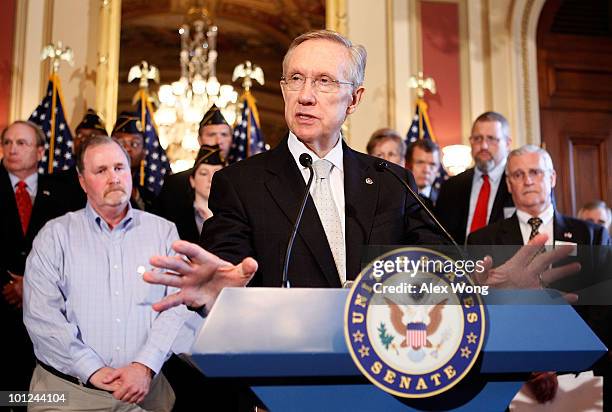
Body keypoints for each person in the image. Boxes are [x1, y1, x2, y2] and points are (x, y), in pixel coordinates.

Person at [142, 31, 577, 318]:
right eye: (296, 79)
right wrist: (222, 292)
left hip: (383, 370)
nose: (307, 95)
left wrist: (491, 284)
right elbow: (229, 272)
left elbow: (440, 263)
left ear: (354, 100)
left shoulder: (391, 180)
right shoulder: (241, 182)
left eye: (325, 82)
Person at [22, 135, 206, 412]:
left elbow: (178, 307)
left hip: (146, 395)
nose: (114, 178)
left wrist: (143, 366)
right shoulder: (55, 236)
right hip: (67, 395)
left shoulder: (163, 231)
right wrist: (93, 370)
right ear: (83, 182)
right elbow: (42, 318)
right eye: (101, 170)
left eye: (119, 168)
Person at [467, 145, 611, 404]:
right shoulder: (482, 240)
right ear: (509, 184)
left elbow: (604, 308)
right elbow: (480, 310)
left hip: (583, 375)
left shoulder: (592, 235)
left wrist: (565, 359)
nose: (528, 180)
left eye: (535, 172)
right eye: (518, 175)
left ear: (552, 177)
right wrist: (528, 361)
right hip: (511, 378)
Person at [0, 120, 71, 399]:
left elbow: (67, 247)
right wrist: (10, 284)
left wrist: (30, 284)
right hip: (2, 303)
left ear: (41, 152)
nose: (12, 149)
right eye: (7, 143)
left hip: (46, 307)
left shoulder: (63, 192)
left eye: (22, 143)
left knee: (34, 390)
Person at [436, 111, 515, 244]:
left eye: (491, 139)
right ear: (470, 142)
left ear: (507, 144)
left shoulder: (519, 183)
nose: (483, 146)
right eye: (477, 138)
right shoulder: (451, 186)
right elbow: (440, 235)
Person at [156, 105, 232, 223]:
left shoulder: (241, 179)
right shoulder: (174, 183)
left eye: (224, 135)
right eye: (211, 135)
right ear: (199, 139)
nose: (218, 141)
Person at [59, 108, 109, 211]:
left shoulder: (113, 179)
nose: (83, 140)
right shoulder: (57, 182)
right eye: (80, 135)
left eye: (92, 135)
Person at [112, 111, 156, 211]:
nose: (127, 149)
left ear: (144, 153)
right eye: (121, 143)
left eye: (134, 144)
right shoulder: (97, 188)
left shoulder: (150, 198)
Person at [405, 139, 441, 207]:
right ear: (408, 165)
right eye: (420, 162)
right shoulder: (397, 199)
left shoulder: (444, 200)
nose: (426, 170)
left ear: (438, 168)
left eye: (432, 164)